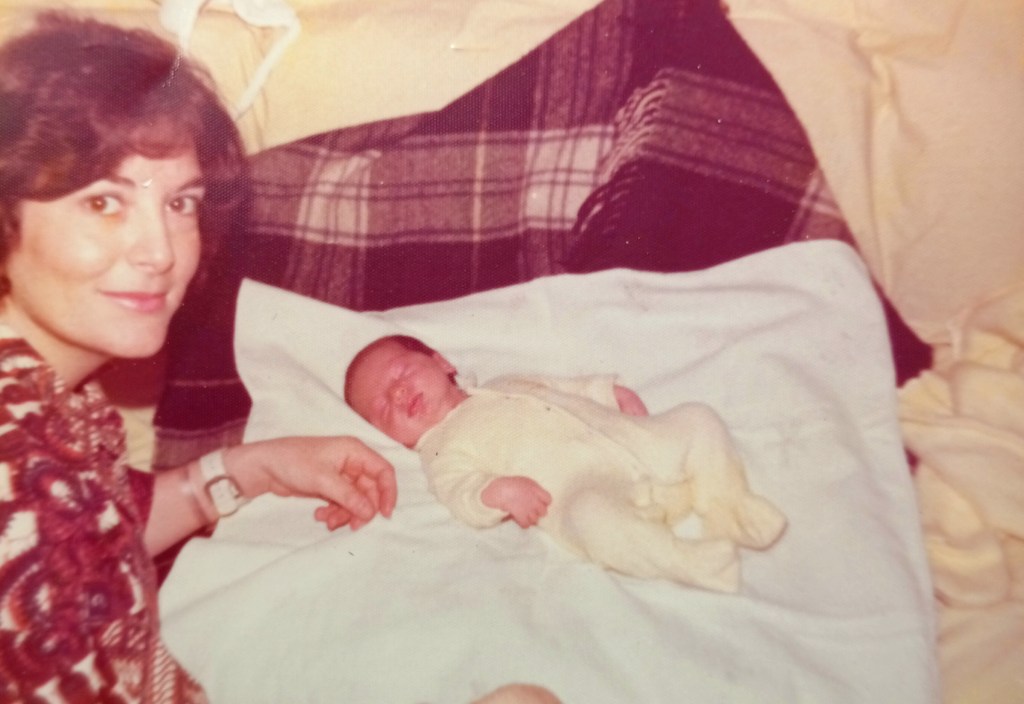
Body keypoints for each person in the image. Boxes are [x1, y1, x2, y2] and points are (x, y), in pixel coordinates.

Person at [0, 13, 397, 702]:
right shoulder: (21, 489)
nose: (160, 251)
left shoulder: (39, 395)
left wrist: (251, 468)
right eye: (103, 202)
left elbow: (99, 532)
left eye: (181, 202)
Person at [345, 334, 788, 593]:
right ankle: (687, 561)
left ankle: (728, 503)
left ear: (441, 362)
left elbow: (563, 388)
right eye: (383, 408)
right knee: (591, 519)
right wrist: (496, 493)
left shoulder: (505, 382)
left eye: (401, 374)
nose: (398, 395)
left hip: (629, 439)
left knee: (697, 419)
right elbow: (459, 491)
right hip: (585, 485)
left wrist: (607, 392)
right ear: (391, 437)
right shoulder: (440, 450)